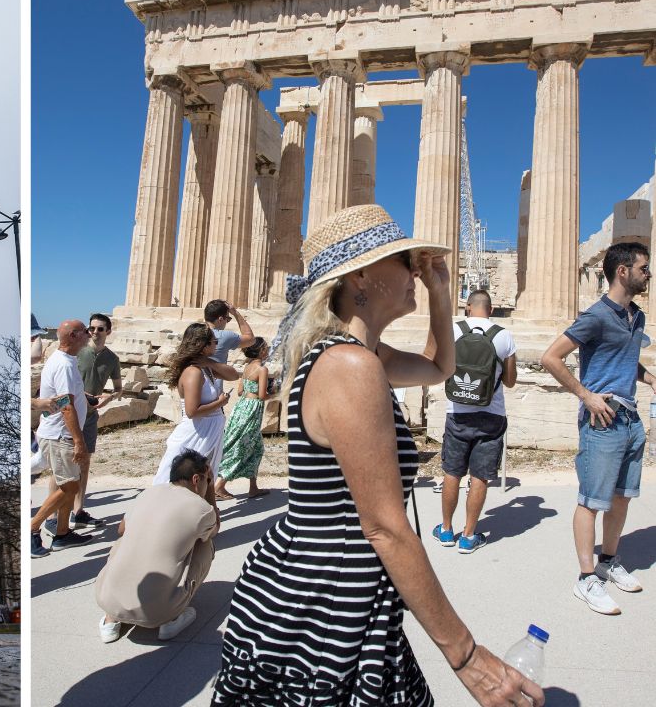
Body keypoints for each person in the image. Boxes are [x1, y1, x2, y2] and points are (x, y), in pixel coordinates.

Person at [212, 204, 542, 706]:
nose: (414, 267)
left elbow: (437, 368)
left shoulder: (358, 357)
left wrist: (439, 291)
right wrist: (469, 659)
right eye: (403, 259)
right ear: (361, 275)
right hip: (324, 603)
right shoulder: (349, 366)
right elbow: (385, 526)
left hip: (335, 587)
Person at [541, 241, 651, 615]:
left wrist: (648, 376)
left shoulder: (637, 316)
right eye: (643, 268)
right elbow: (550, 357)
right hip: (601, 420)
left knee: (621, 496)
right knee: (591, 501)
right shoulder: (595, 316)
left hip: (631, 419)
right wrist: (585, 395)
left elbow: (625, 357)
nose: (648, 274)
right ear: (623, 272)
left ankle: (608, 560)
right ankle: (586, 578)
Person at [95, 451, 217, 644]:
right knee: (206, 543)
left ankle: (111, 620)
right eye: (206, 479)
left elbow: (121, 529)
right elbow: (215, 529)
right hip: (157, 612)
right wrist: (210, 488)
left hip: (106, 599)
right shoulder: (201, 508)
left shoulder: (148, 493)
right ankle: (172, 618)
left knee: (123, 540)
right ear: (196, 479)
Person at [431, 290, 517, 554]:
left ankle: (446, 530)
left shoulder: (454, 331)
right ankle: (468, 536)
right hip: (491, 414)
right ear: (491, 309)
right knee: (480, 476)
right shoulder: (504, 335)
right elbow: (511, 381)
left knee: (452, 473)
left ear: (468, 307)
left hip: (457, 412)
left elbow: (439, 366)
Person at [30, 320, 92, 556]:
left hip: (57, 432)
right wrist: (78, 440)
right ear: (75, 336)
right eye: (85, 331)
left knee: (70, 483)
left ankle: (63, 533)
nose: (89, 335)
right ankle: (33, 527)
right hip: (60, 434)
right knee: (69, 487)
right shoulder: (64, 365)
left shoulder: (65, 361)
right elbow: (66, 405)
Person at [152, 323, 238, 486]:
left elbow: (233, 375)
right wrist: (220, 403)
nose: (216, 345)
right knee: (180, 479)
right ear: (203, 345)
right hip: (197, 432)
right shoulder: (194, 372)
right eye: (214, 342)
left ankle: (209, 510)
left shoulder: (205, 368)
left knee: (205, 476)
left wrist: (209, 362)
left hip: (209, 430)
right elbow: (192, 411)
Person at [66, 313, 123, 528]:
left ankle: (77, 510)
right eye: (92, 328)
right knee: (63, 462)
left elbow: (118, 389)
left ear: (108, 331)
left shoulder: (112, 359)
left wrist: (109, 397)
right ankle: (54, 518)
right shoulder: (77, 353)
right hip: (70, 413)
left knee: (85, 462)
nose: (95, 332)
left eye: (100, 329)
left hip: (90, 415)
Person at [216, 337, 272, 501]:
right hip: (252, 410)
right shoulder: (262, 369)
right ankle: (218, 486)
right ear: (261, 351)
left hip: (241, 407)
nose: (268, 351)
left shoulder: (247, 367)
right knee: (242, 447)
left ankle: (253, 488)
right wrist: (276, 393)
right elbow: (262, 396)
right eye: (266, 348)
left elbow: (240, 391)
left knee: (256, 448)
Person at [203, 299, 255, 364]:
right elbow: (251, 339)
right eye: (228, 319)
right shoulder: (224, 336)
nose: (227, 323)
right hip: (215, 373)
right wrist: (235, 313)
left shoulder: (192, 332)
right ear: (220, 319)